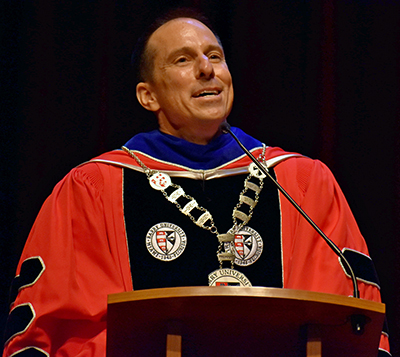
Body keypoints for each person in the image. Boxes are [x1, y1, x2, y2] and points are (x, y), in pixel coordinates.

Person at [3, 9, 390, 357]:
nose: (207, 69)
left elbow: (353, 315)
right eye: (183, 60)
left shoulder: (301, 181)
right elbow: (48, 328)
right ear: (148, 95)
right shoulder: (92, 188)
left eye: (215, 56)